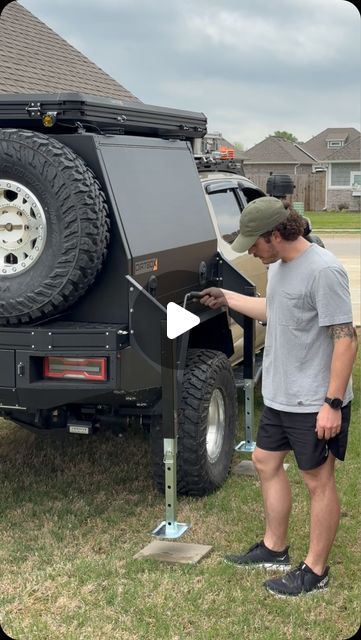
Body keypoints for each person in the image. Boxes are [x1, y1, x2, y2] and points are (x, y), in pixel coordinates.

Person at [199, 196, 357, 597]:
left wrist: (332, 403)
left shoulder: (323, 271)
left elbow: (346, 341)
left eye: (255, 242)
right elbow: (276, 309)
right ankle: (274, 549)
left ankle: (316, 571)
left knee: (318, 480)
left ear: (276, 234)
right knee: (265, 460)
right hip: (282, 394)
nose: (251, 250)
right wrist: (227, 297)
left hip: (314, 401)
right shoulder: (282, 265)